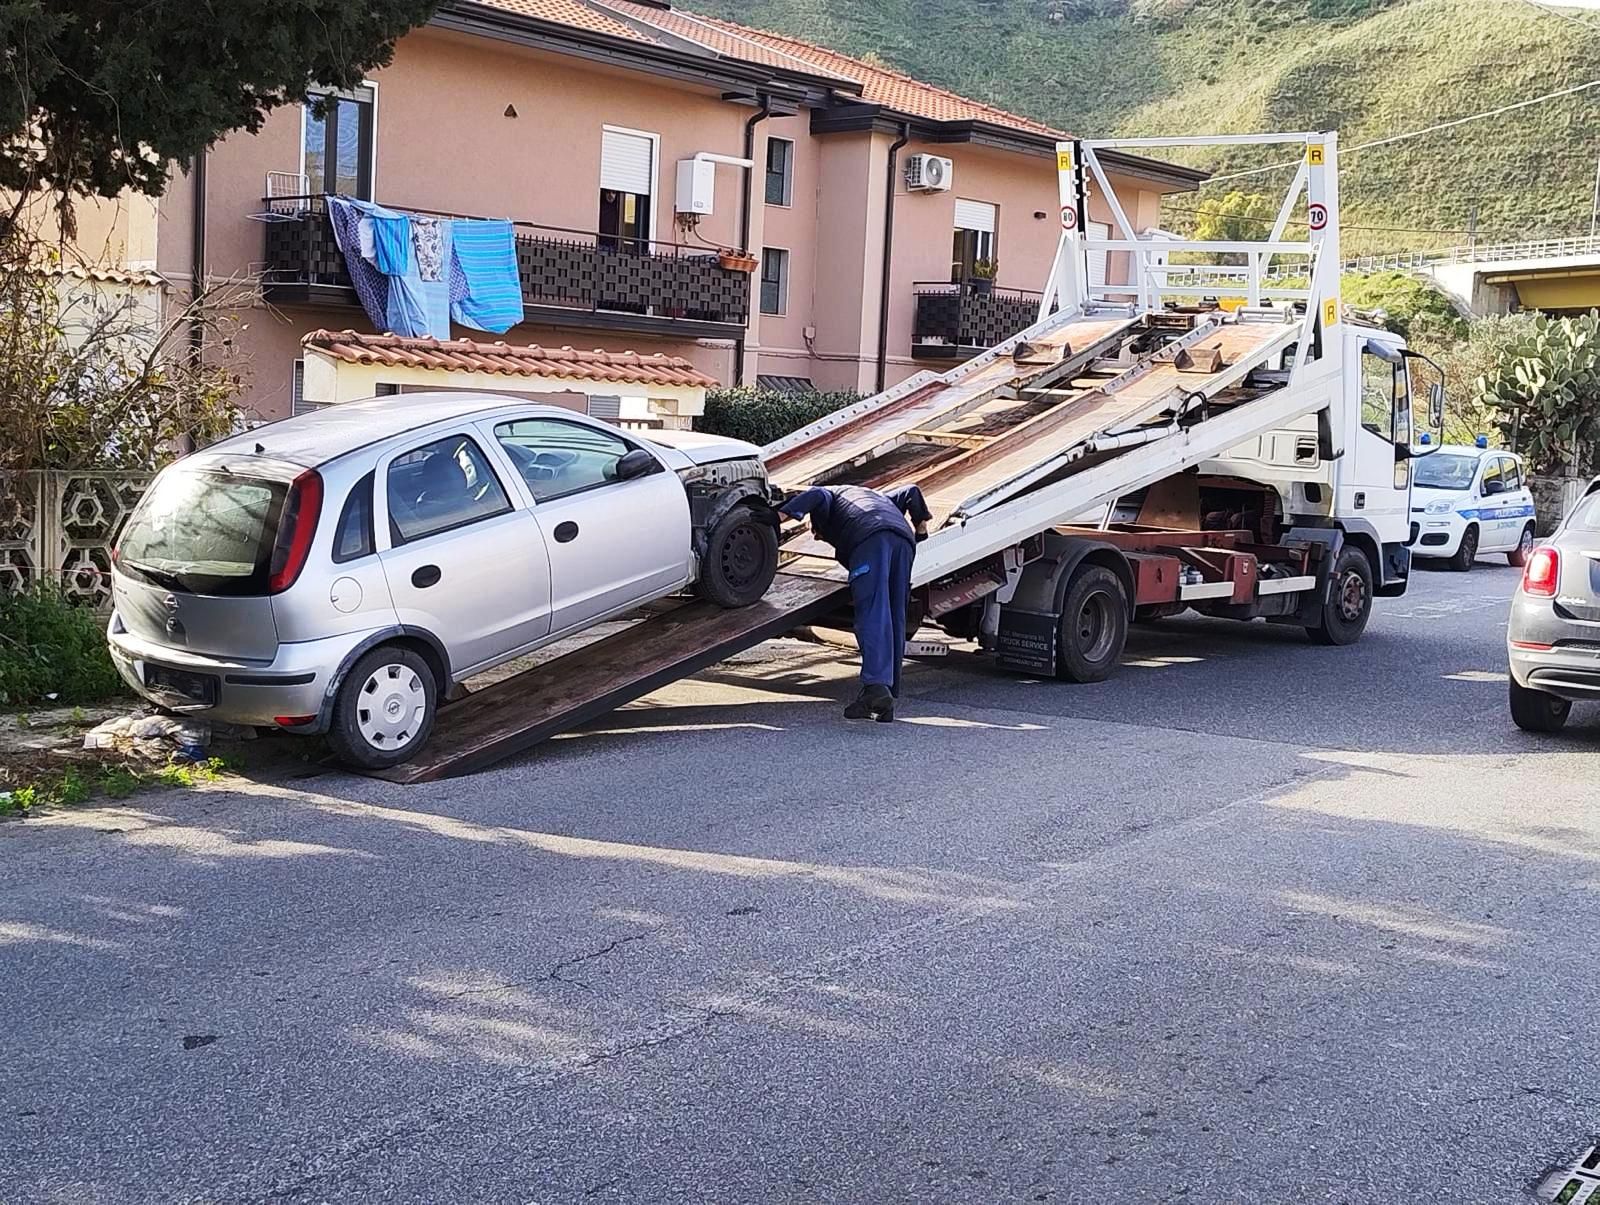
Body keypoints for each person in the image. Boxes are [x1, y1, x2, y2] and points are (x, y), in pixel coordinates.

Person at [778, 483, 932, 722]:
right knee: (894, 614)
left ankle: (875, 689)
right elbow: (911, 491)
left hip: (869, 539)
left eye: (814, 530)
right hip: (902, 541)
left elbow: (817, 495)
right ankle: (888, 697)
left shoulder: (831, 495)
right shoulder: (876, 496)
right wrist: (921, 528)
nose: (816, 535)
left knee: (873, 612)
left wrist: (779, 516)